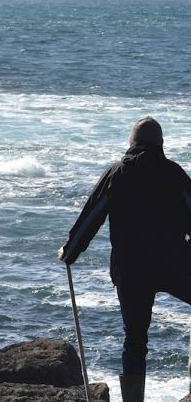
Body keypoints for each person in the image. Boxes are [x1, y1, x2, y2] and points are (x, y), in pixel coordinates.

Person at [59, 117, 191, 402]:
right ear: (162, 144)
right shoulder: (174, 173)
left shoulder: (117, 173)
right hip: (176, 264)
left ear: (131, 143)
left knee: (135, 342)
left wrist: (70, 252)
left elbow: (91, 217)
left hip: (131, 271)